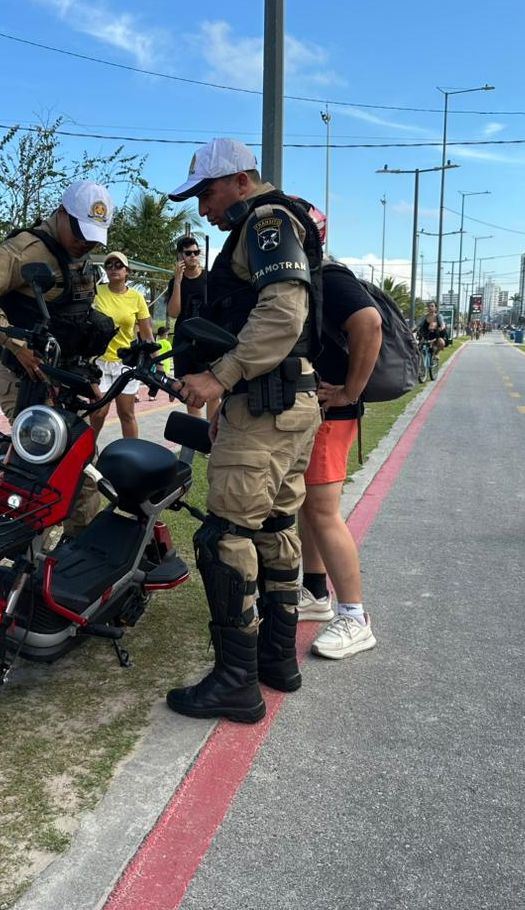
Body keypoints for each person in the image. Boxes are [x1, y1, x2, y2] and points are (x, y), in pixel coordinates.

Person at [163, 137, 323, 724]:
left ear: (239, 178)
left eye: (206, 193)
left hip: (261, 409)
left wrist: (219, 377)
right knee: (275, 529)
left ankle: (236, 683)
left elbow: (283, 313)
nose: (203, 210)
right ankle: (277, 663)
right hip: (291, 405)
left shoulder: (266, 221)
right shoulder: (282, 220)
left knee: (225, 539)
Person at [0, 180, 116, 536]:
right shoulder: (27, 250)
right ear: (62, 215)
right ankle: (26, 562)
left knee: (80, 470)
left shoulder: (76, 255)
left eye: (95, 236)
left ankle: (76, 557)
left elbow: (75, 322)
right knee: (43, 476)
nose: (87, 242)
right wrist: (13, 341)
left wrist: (89, 379)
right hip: (27, 383)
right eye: (81, 232)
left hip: (66, 379)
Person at [292, 211, 383, 661]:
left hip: (333, 409)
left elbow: (369, 324)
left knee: (324, 512)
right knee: (310, 507)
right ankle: (315, 593)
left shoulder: (327, 275)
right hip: (318, 409)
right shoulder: (304, 275)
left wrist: (349, 389)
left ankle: (355, 616)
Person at [90, 251, 152, 439]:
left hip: (125, 363)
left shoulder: (137, 298)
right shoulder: (96, 292)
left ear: (127, 271)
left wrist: (157, 364)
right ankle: (87, 455)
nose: (113, 269)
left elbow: (147, 334)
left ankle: (133, 455)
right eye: (109, 265)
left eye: (119, 265)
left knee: (126, 413)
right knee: (98, 413)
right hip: (99, 362)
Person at [165, 235, 213, 418]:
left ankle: (212, 434)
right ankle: (199, 431)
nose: (193, 256)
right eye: (188, 253)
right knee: (189, 391)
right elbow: (174, 313)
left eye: (196, 252)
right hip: (184, 341)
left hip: (207, 341)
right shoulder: (175, 281)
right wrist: (177, 281)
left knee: (211, 388)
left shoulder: (210, 278)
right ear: (180, 256)